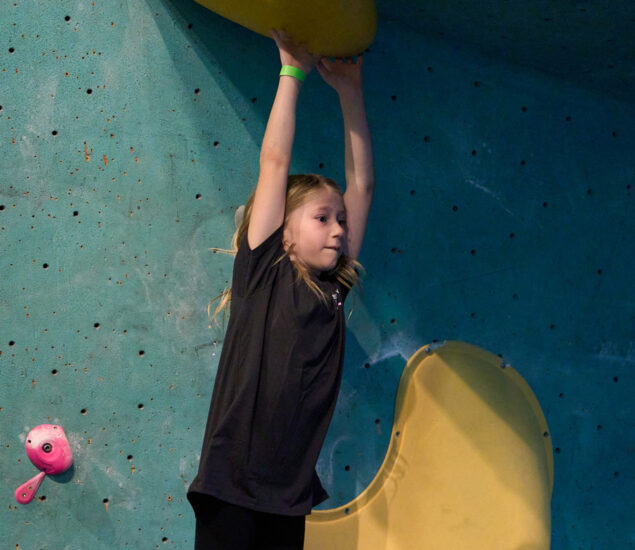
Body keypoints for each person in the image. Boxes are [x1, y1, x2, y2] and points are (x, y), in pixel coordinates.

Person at [187, 28, 375, 550]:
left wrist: (351, 93)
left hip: (287, 498)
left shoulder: (335, 290)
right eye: (322, 217)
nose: (339, 228)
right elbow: (274, 162)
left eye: (340, 220)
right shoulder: (263, 273)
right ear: (285, 231)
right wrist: (291, 74)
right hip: (231, 488)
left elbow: (361, 186)